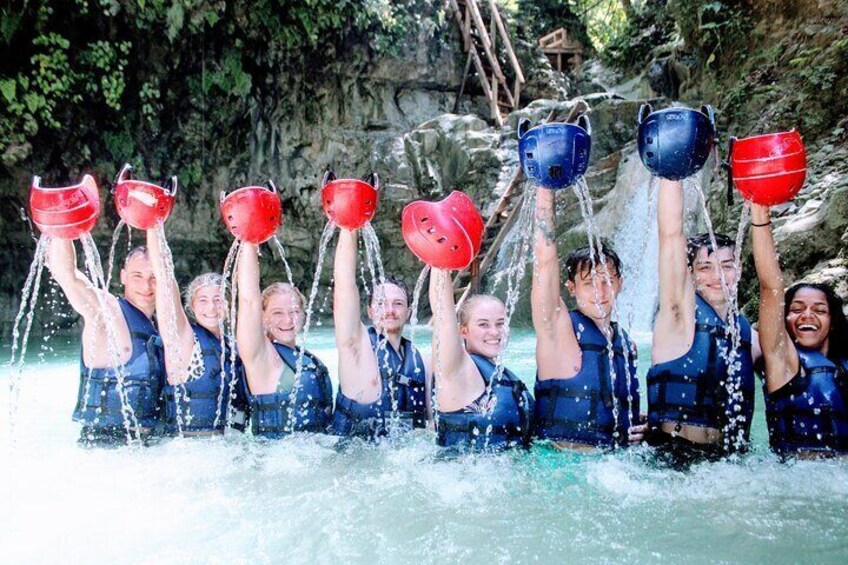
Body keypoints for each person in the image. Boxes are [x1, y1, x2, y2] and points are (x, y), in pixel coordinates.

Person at [647, 178, 761, 462]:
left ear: (740, 268)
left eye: (727, 266)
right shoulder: (677, 317)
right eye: (705, 268)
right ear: (691, 274)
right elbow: (671, 236)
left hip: (731, 460)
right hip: (675, 455)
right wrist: (670, 174)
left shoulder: (750, 336)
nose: (718, 277)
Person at [531, 187, 642, 449]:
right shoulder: (558, 330)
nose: (600, 292)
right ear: (571, 288)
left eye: (607, 281)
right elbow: (544, 263)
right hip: (564, 465)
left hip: (617, 465)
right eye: (589, 283)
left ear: (620, 284)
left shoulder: (626, 344)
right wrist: (545, 188)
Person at [750, 203, 848, 457]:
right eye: (797, 308)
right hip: (797, 482)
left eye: (819, 310)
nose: (807, 315)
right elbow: (771, 288)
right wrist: (760, 212)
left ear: (833, 321)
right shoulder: (782, 363)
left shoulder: (842, 365)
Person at [46, 240, 162, 446]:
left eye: (154, 277)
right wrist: (60, 227)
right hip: (106, 446)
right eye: (138, 276)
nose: (146, 286)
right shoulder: (107, 312)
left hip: (150, 446)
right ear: (123, 276)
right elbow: (66, 275)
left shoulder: (164, 327)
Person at [330, 228, 432, 438]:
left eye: (398, 303)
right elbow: (343, 284)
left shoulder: (423, 362)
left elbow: (431, 425)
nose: (390, 310)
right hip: (357, 460)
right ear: (369, 311)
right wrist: (349, 227)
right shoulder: (356, 349)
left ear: (409, 312)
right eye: (381, 303)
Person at [146, 227, 247, 436]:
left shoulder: (235, 349)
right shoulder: (184, 340)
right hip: (188, 450)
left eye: (218, 300)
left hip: (227, 449)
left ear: (229, 305)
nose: (211, 307)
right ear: (191, 306)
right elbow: (165, 278)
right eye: (203, 300)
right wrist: (152, 223)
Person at [429, 268, 534, 451]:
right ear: (463, 331)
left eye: (500, 324)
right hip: (464, 475)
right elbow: (442, 315)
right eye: (483, 324)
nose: (494, 332)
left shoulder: (505, 376)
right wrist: (440, 262)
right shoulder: (457, 370)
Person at [235, 243, 333, 439]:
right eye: (277, 313)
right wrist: (249, 241)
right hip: (276, 462)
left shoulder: (309, 359)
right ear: (263, 317)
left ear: (304, 314)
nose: (288, 320)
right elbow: (248, 300)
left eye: (294, 312)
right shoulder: (260, 357)